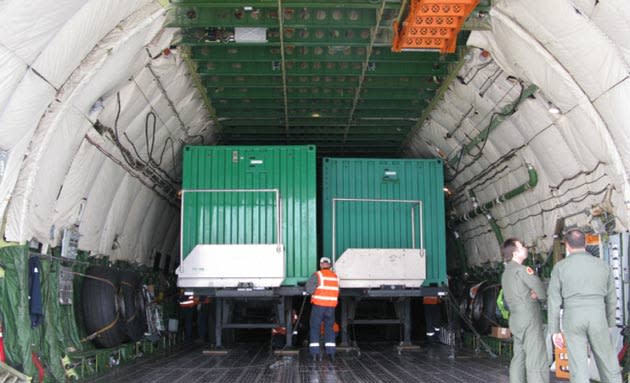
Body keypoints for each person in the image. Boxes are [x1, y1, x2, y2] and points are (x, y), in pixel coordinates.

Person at [548, 229, 621, 383]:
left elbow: (554, 301)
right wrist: (610, 323)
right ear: (586, 243)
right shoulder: (602, 265)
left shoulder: (560, 267)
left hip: (573, 318)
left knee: (578, 369)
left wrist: (554, 331)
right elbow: (612, 298)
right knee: (608, 364)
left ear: (567, 245)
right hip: (598, 316)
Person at [500, 238, 549, 383]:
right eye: (522, 246)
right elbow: (539, 288)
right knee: (536, 358)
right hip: (529, 318)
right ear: (515, 253)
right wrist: (540, 296)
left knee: (518, 358)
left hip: (515, 319)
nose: (525, 248)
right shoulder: (522, 270)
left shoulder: (506, 273)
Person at [305, 257, 339, 362]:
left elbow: (309, 289)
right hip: (331, 307)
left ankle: (315, 354)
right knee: (329, 328)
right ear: (329, 265)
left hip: (319, 306)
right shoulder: (335, 276)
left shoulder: (318, 275)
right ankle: (331, 354)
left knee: (315, 327)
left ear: (320, 265)